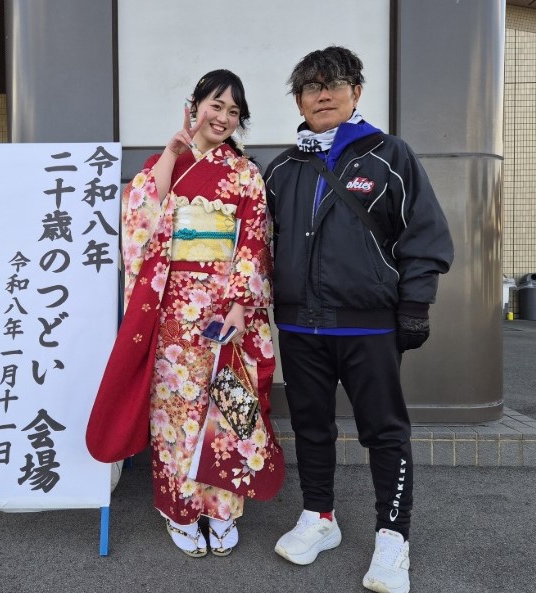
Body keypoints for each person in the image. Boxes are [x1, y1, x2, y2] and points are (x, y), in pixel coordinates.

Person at [264, 47, 454, 593]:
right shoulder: (281, 169)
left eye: (335, 84)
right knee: (310, 426)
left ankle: (393, 536)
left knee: (384, 432)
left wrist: (415, 304)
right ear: (299, 100)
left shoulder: (390, 155)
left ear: (356, 93)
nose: (323, 95)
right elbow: (257, 244)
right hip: (299, 326)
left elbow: (425, 233)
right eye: (311, 87)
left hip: (368, 326)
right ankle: (319, 517)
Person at [86, 69, 284, 558]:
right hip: (173, 307)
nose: (224, 117)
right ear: (194, 105)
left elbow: (253, 241)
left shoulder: (245, 174)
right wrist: (171, 154)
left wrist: (240, 305)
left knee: (227, 407)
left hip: (226, 310)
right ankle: (179, 508)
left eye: (234, 111)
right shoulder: (166, 162)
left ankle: (222, 508)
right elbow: (140, 221)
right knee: (176, 411)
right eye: (216, 105)